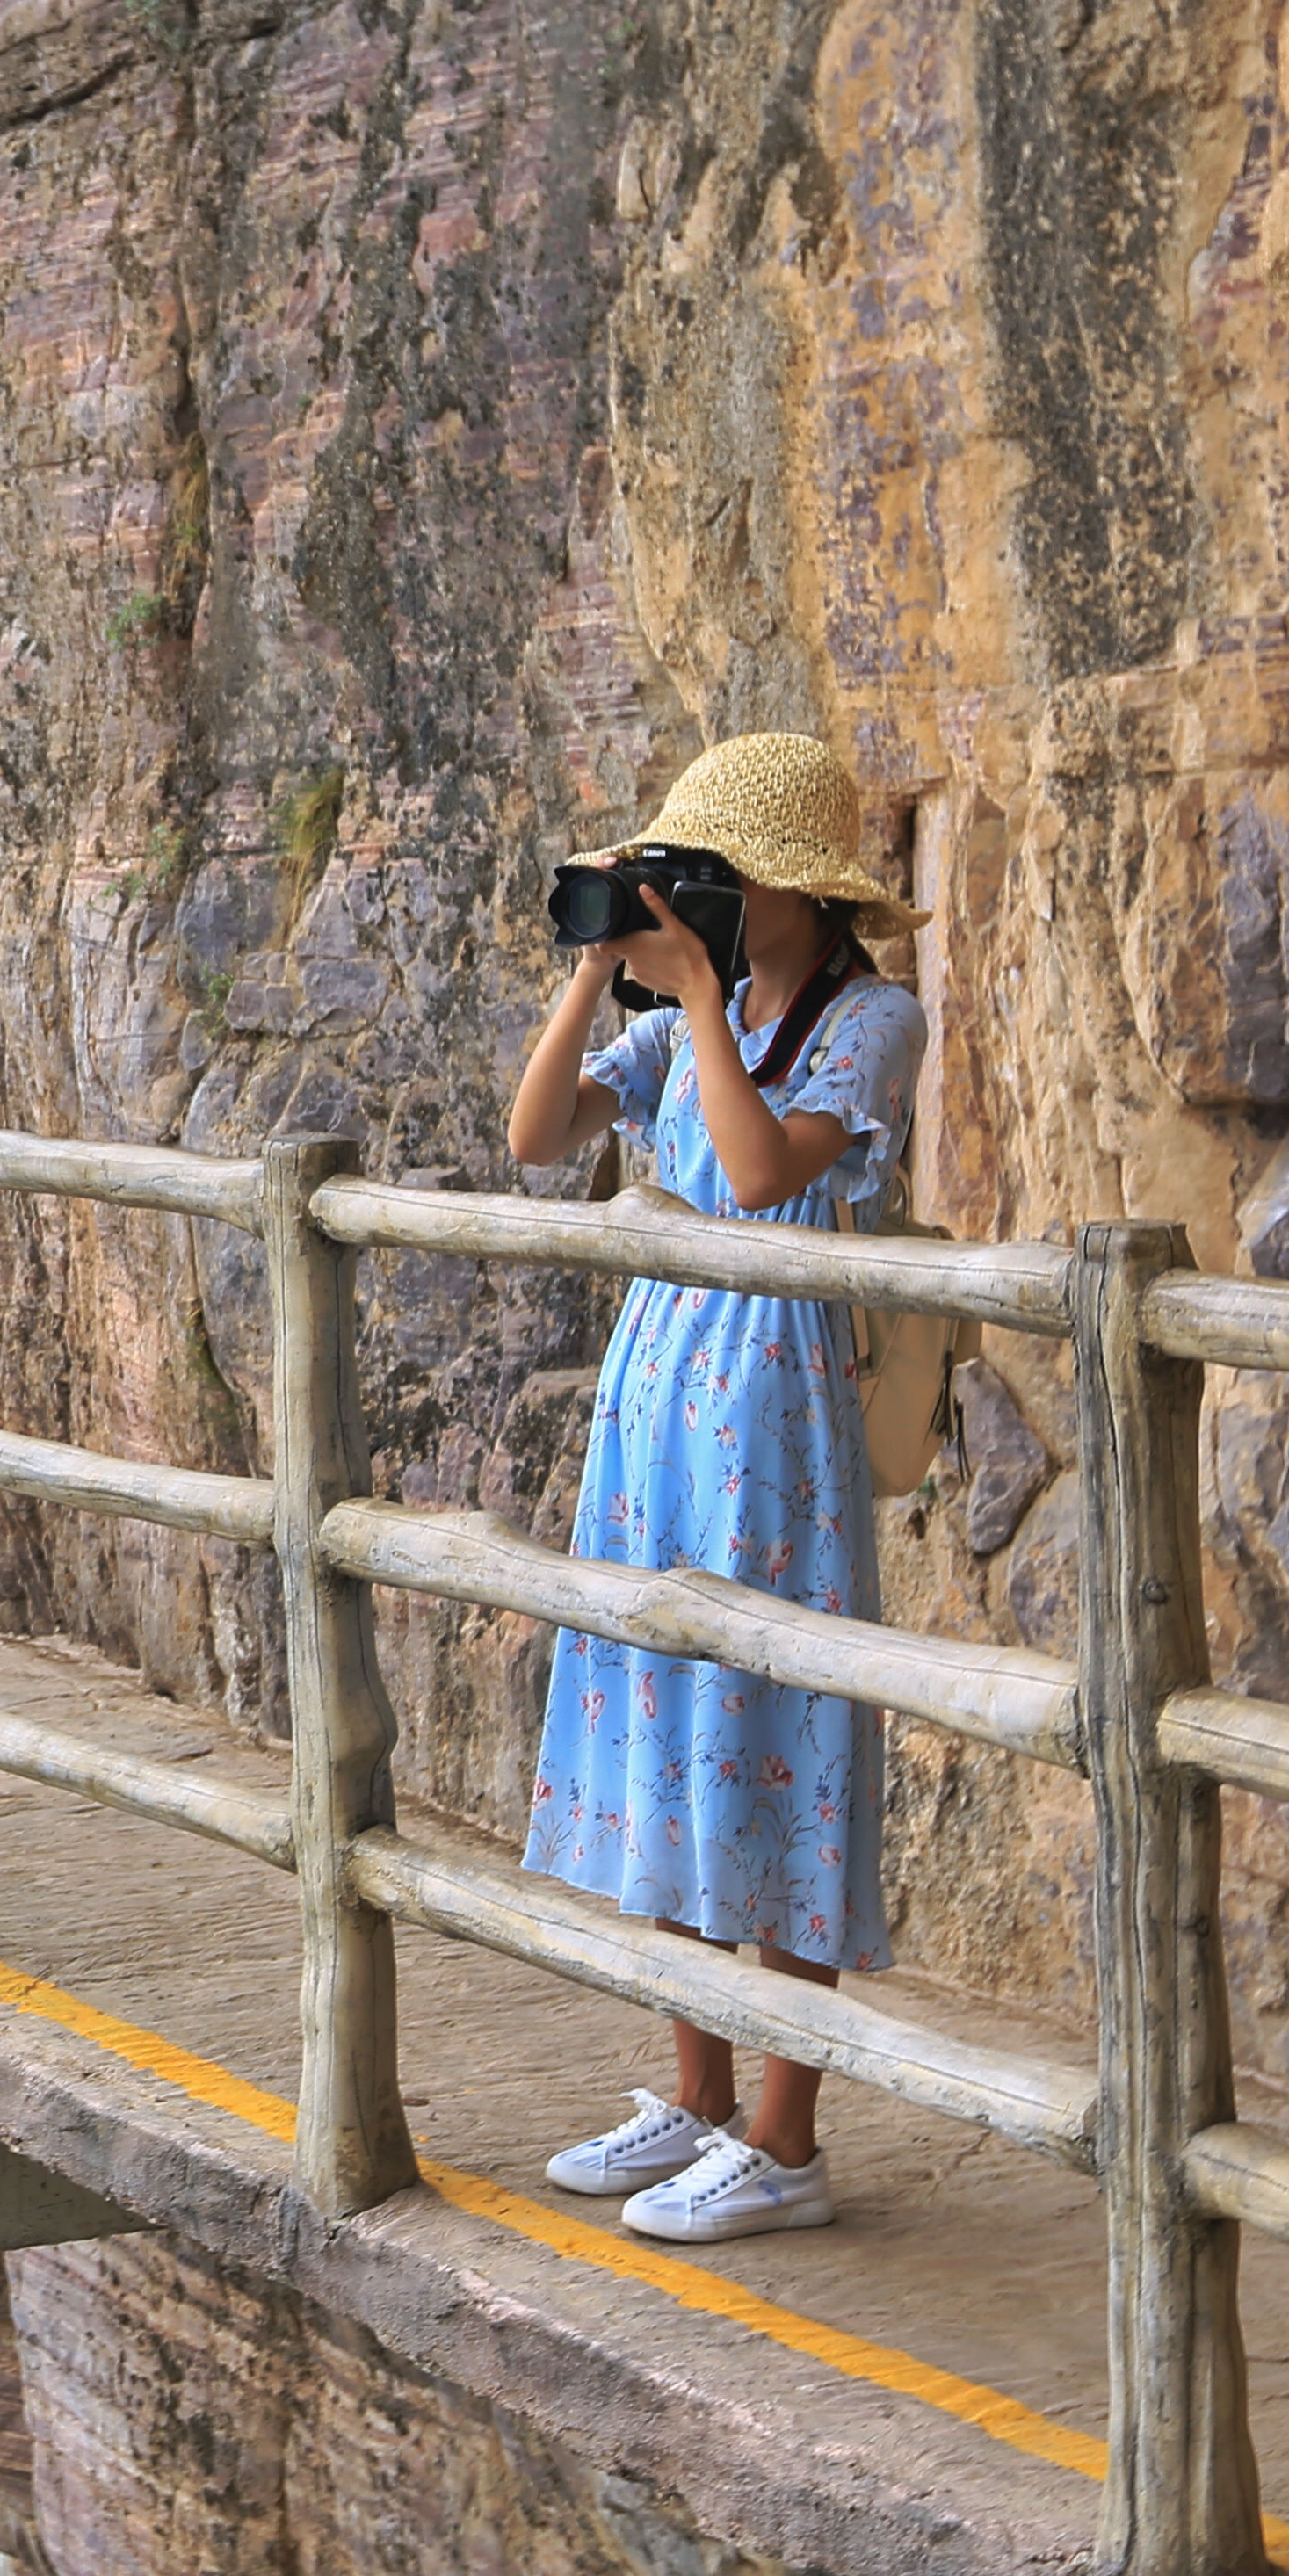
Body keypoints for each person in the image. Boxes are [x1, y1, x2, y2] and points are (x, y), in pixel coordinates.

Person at [496, 731, 929, 2247]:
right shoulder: (694, 1008)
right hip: (655, 1399)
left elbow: (757, 1177)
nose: (707, 906)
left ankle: (786, 2138)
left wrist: (693, 1005)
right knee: (669, 1723)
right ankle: (692, 2095)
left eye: (721, 884)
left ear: (800, 895)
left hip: (775, 1401)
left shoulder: (870, 1018)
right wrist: (596, 969)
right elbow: (537, 1135)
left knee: (779, 1734)